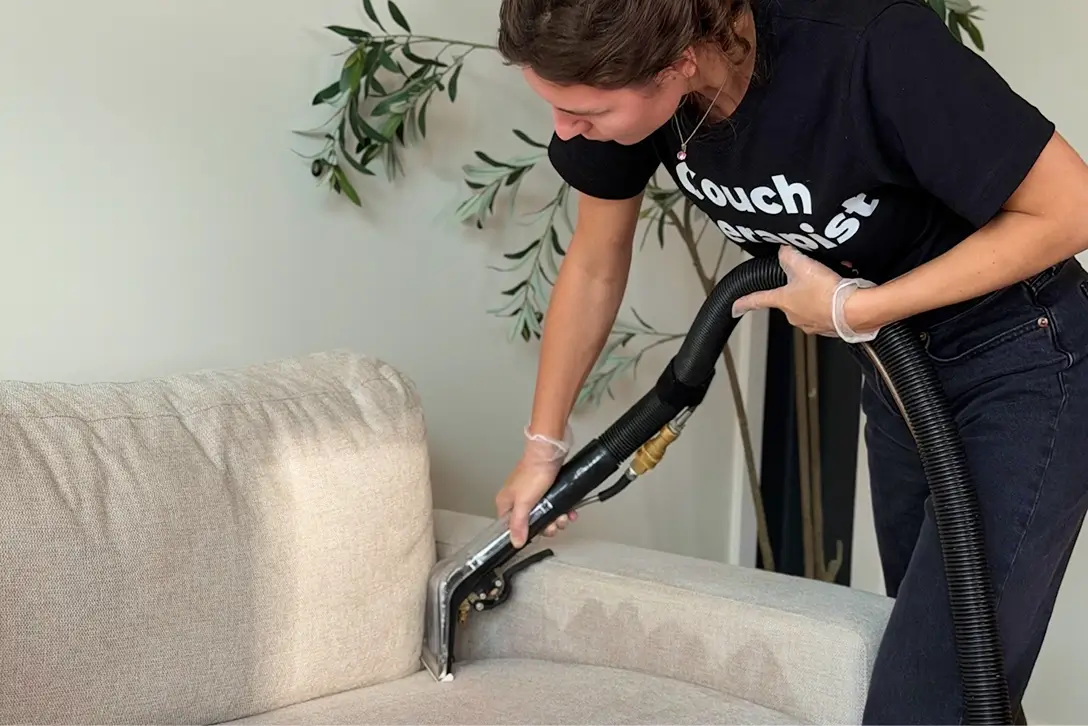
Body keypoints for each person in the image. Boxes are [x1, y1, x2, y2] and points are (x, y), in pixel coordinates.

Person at [490, 0, 1088, 722]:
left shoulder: (866, 44)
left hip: (1026, 360)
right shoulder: (622, 74)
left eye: (586, 112)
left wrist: (858, 310)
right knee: (962, 679)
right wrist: (542, 447)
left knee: (929, 698)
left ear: (678, 63)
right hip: (901, 376)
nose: (565, 129)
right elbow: (593, 261)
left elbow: (1071, 207)